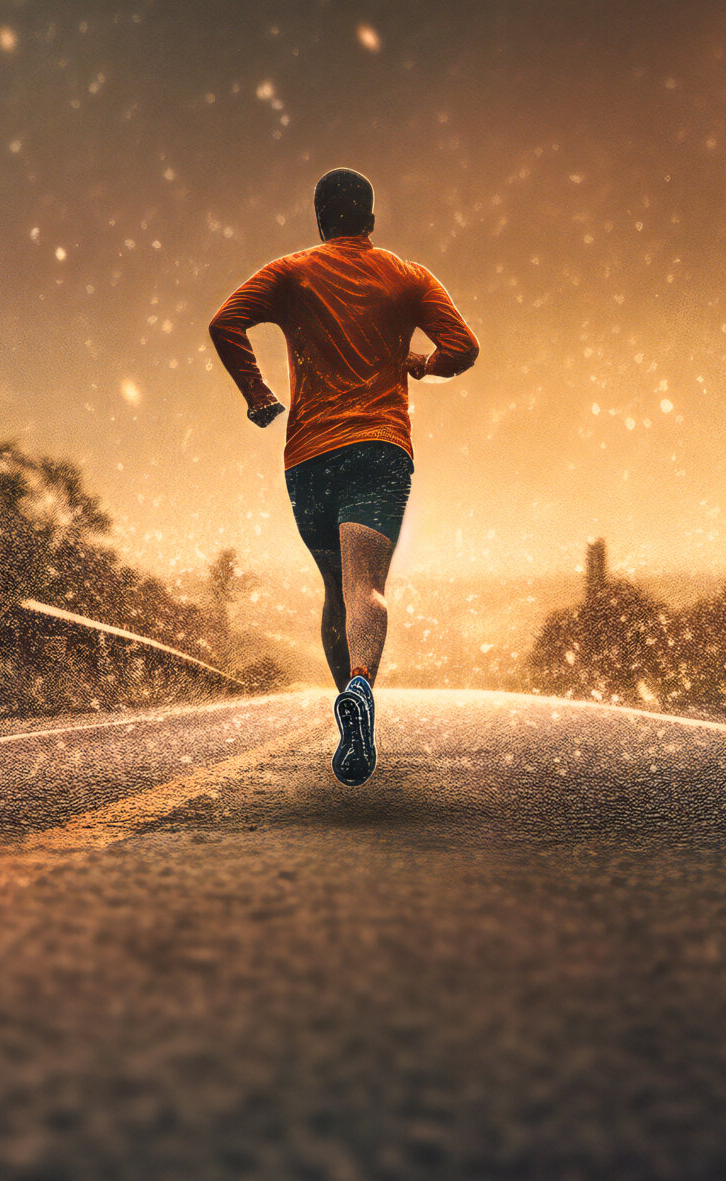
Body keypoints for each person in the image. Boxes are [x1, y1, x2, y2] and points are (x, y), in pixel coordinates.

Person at [208, 168, 479, 786]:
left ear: (320, 220)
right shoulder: (409, 276)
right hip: (380, 448)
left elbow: (224, 323)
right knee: (367, 587)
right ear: (372, 220)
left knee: (334, 586)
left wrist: (257, 394)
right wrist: (417, 362)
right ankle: (361, 688)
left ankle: (351, 718)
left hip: (309, 455)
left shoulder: (290, 272)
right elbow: (463, 347)